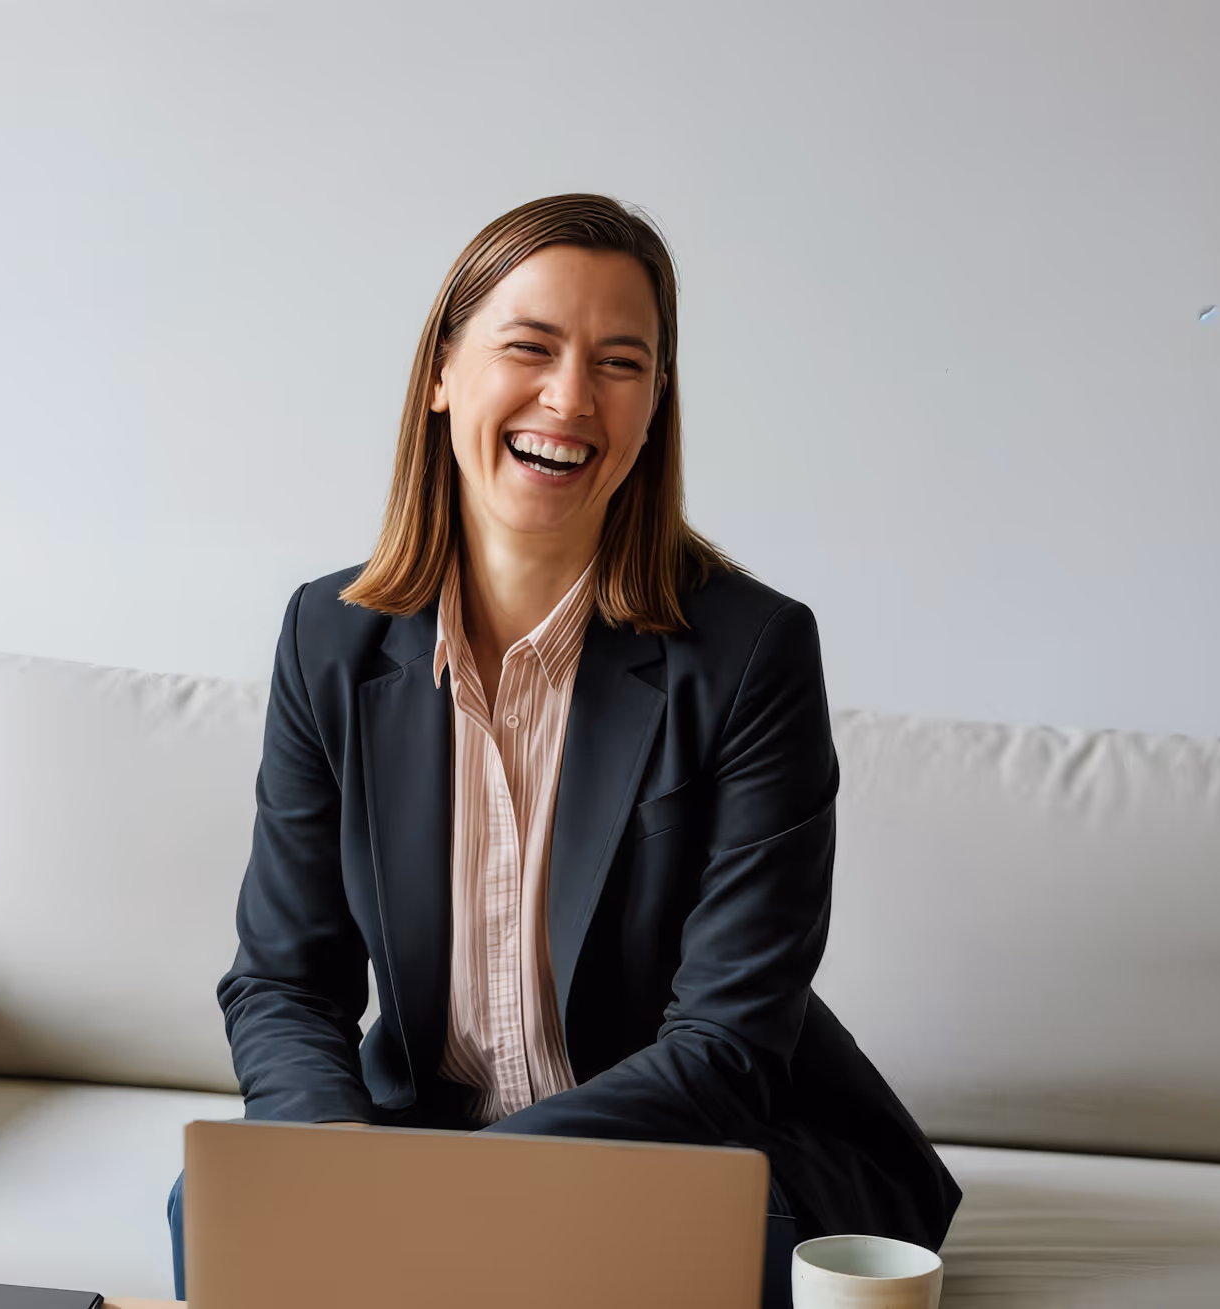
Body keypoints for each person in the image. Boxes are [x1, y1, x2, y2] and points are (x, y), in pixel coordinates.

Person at [166, 195, 961, 1307]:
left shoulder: (754, 652)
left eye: (620, 363)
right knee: (214, 1216)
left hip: (684, 1148)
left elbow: (727, 1043)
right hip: (420, 1139)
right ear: (442, 372)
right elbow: (284, 983)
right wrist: (336, 1167)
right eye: (530, 346)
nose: (572, 398)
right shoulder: (327, 637)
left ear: (655, 405)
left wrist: (450, 1199)